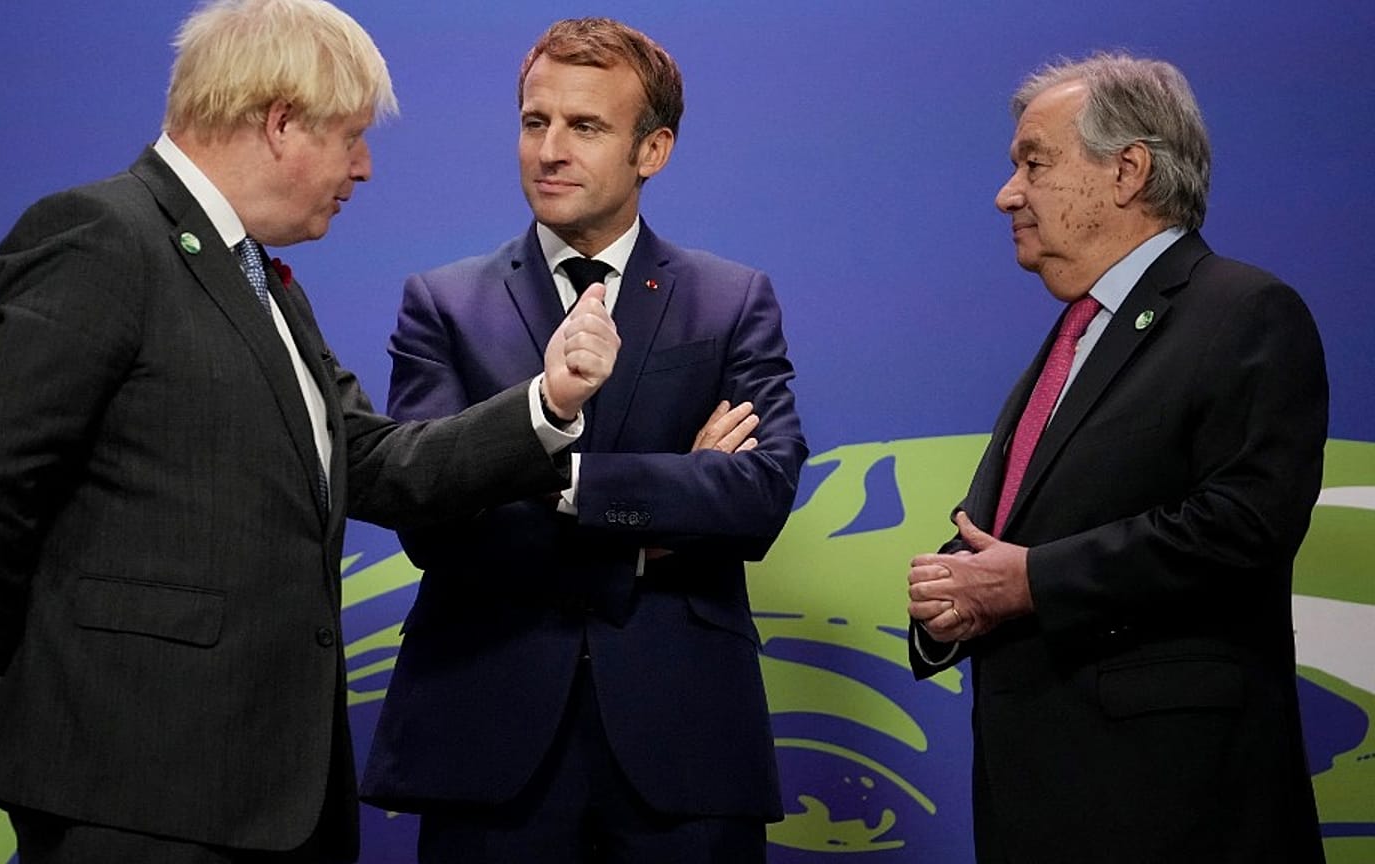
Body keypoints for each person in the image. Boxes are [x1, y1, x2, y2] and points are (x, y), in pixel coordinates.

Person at [0, 0, 620, 861]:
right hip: (137, 791)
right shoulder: (104, 236)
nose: (362, 169)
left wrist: (546, 404)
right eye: (352, 137)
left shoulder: (262, 279)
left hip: (264, 795)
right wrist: (15, 676)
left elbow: (372, 459)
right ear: (281, 121)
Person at [359, 18, 806, 864]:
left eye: (586, 127)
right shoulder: (443, 304)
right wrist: (659, 515)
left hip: (685, 748)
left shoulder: (730, 299)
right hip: (488, 743)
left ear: (654, 150)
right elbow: (430, 514)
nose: (550, 150)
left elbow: (759, 497)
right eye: (536, 122)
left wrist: (560, 485)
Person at [905, 52, 1328, 863]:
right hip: (1039, 799)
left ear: (1128, 170)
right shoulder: (1073, 335)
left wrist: (1033, 581)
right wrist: (954, 601)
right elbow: (1009, 533)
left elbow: (1244, 524)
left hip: (1175, 806)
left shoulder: (1244, 312)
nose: (1008, 194)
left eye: (1034, 163)